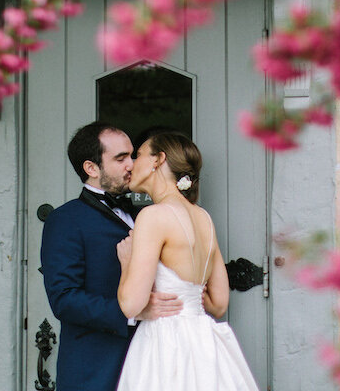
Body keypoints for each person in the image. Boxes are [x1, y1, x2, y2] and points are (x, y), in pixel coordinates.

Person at [41, 122, 183, 391]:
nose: (132, 164)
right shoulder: (65, 220)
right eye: (120, 158)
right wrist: (132, 311)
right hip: (96, 370)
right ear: (91, 168)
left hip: (152, 362)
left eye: (132, 155)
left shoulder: (148, 214)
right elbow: (64, 299)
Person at [115, 132, 260, 391]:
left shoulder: (153, 216)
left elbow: (131, 305)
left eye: (137, 155)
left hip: (164, 342)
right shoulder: (203, 217)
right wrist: (189, 296)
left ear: (158, 160)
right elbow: (219, 304)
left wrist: (126, 262)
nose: (132, 164)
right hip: (203, 341)